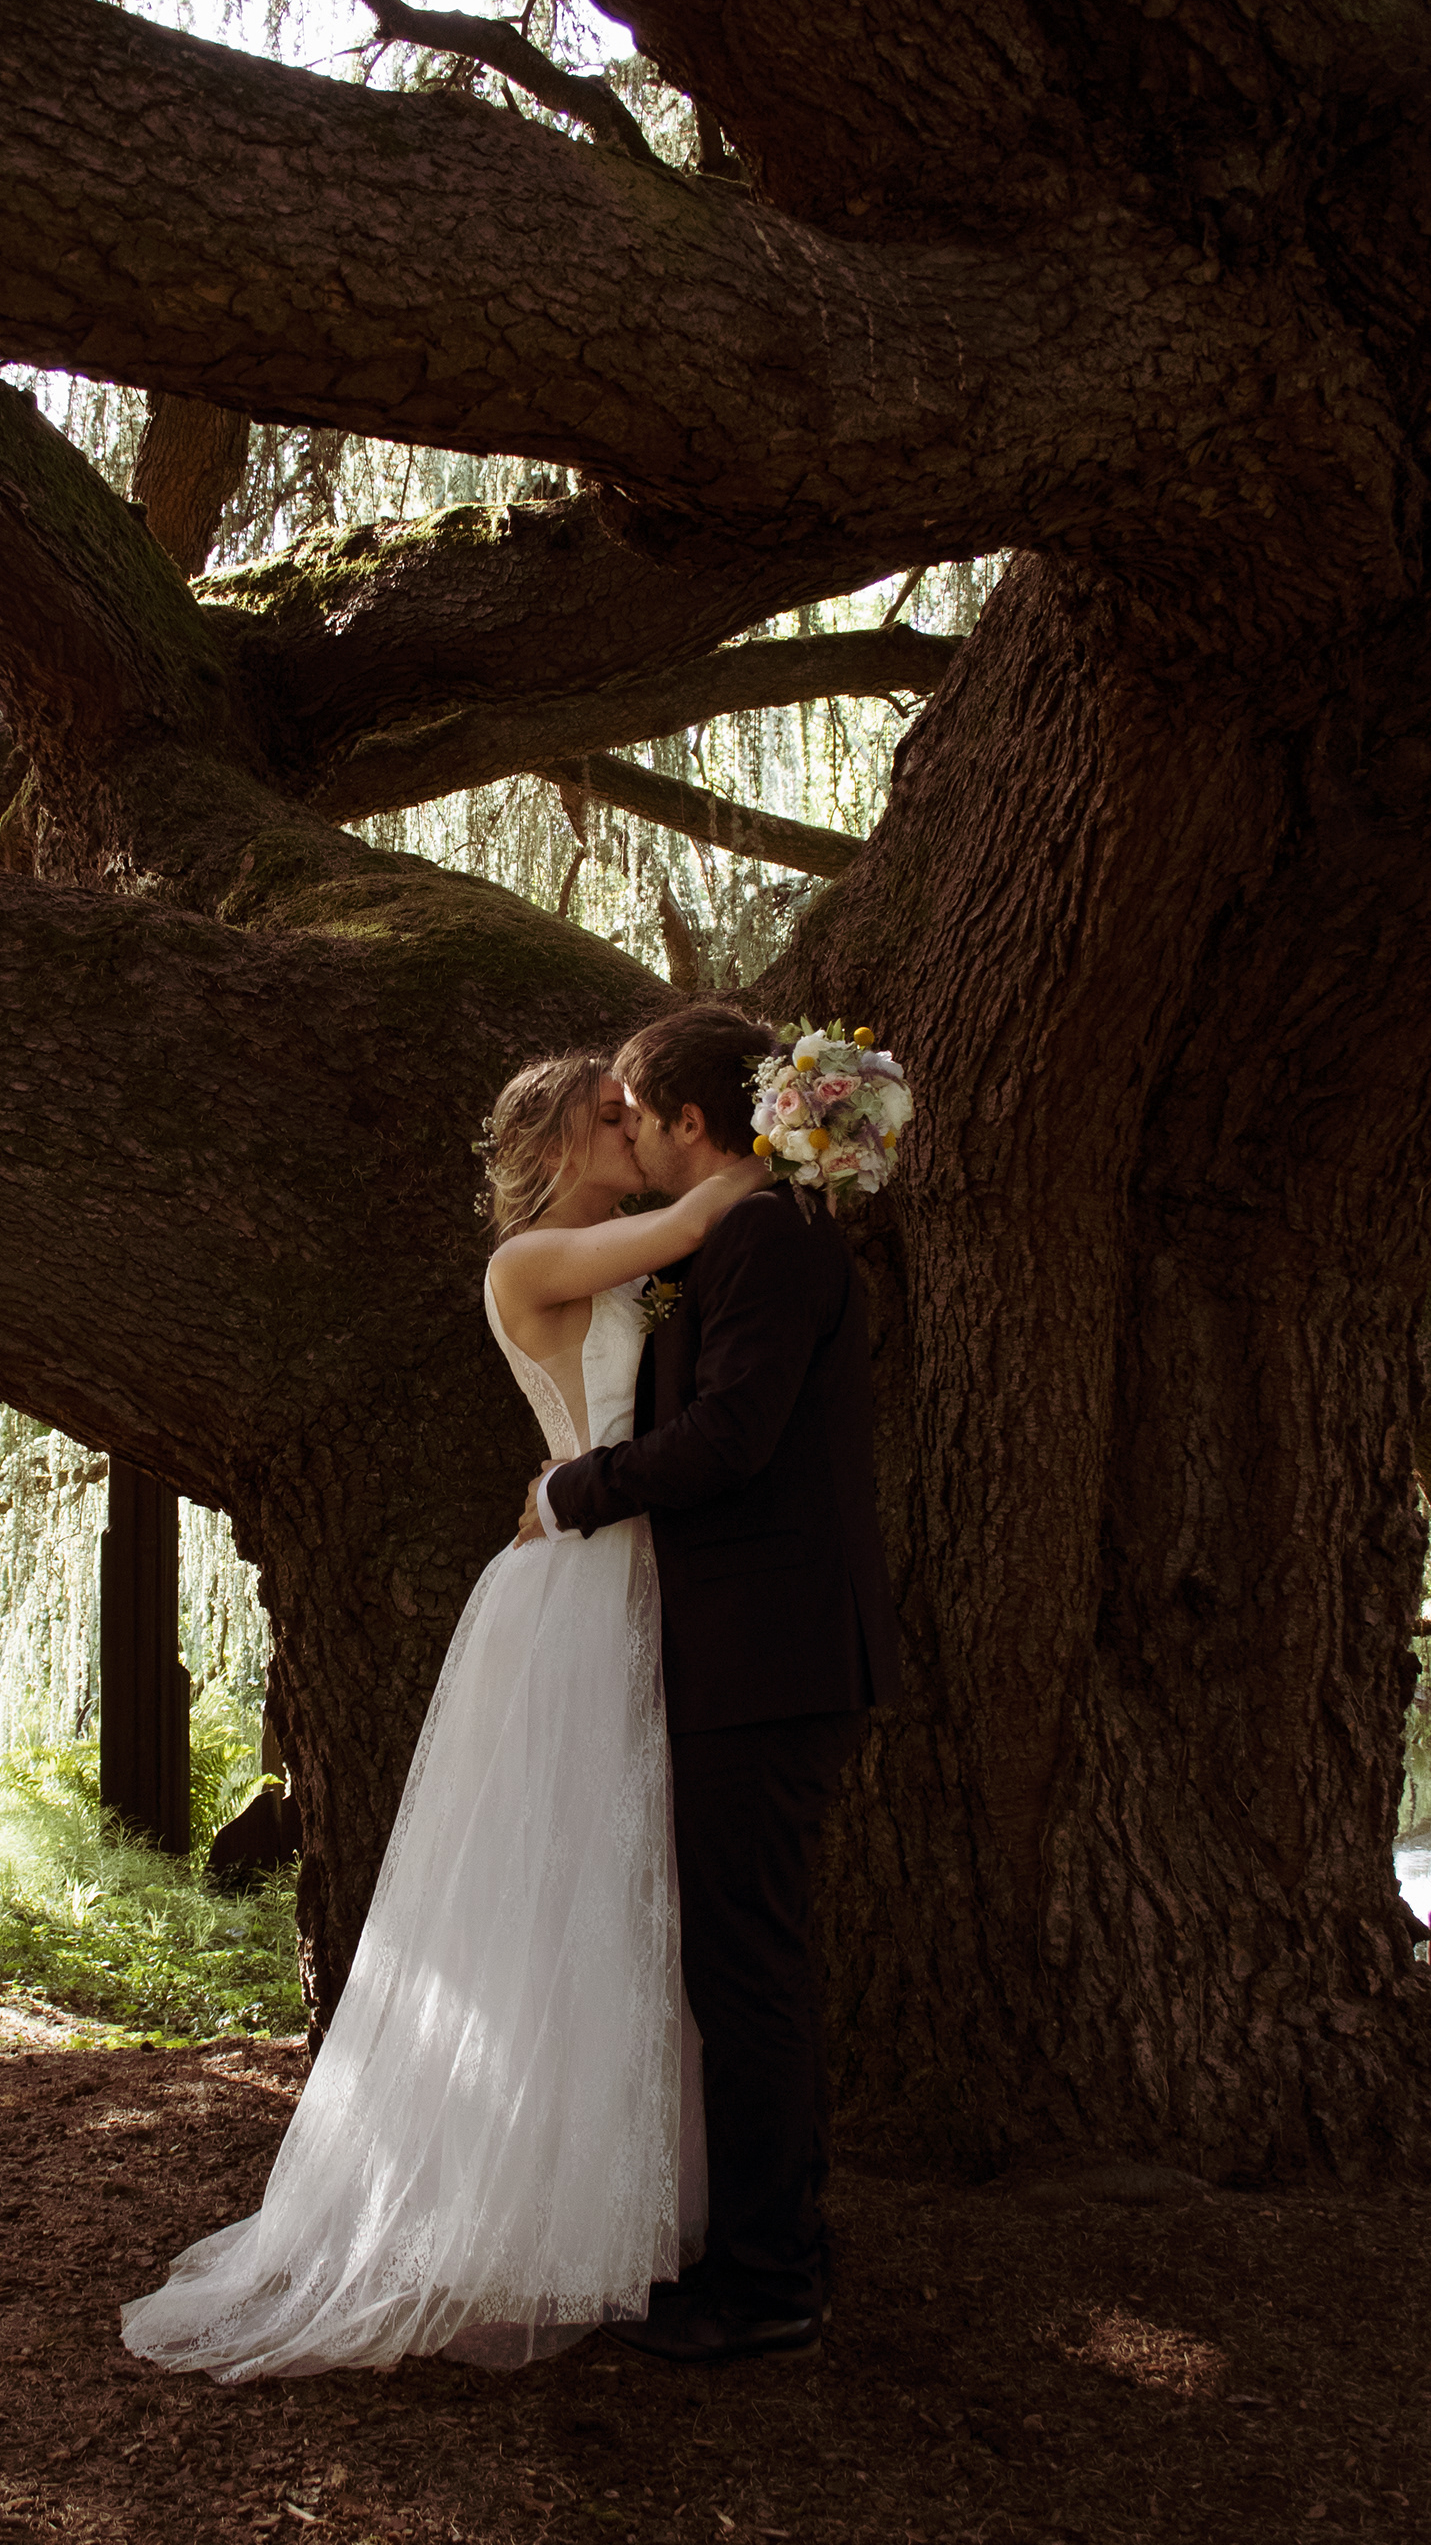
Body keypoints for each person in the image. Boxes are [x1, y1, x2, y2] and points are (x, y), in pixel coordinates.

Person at [120, 1053, 764, 2383]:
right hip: (581, 1588)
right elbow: (709, 1211)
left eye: (636, 1114)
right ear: (555, 1142)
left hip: (639, 1573)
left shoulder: (628, 1260)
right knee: (559, 1891)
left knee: (636, 1889)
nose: (635, 1130)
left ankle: (623, 2196)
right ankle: (520, 2209)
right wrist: (814, 1128)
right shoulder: (531, 1263)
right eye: (611, 1117)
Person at [524, 1003, 899, 2369]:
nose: (624, 1129)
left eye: (635, 1110)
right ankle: (764, 2245)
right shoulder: (729, 1241)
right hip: (746, 1648)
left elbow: (731, 1437)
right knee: (741, 1963)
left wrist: (570, 1492)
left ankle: (769, 2282)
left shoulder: (768, 1242)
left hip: (770, 1650)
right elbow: (686, 1372)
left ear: (690, 1120)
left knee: (749, 1969)